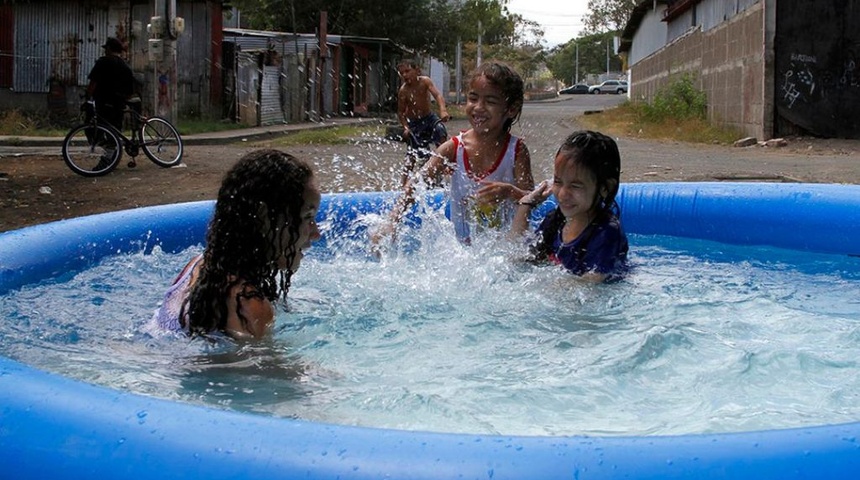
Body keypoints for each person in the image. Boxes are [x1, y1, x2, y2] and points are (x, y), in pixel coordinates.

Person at [153, 149, 322, 340]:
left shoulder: (196, 266)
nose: (316, 234)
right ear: (265, 218)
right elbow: (263, 369)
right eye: (307, 217)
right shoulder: (249, 308)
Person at [373, 61, 534, 246]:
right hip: (462, 253)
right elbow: (417, 182)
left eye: (490, 101)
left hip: (505, 250)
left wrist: (510, 192)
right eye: (473, 98)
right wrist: (392, 220)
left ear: (511, 109)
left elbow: (532, 199)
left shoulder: (516, 151)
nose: (478, 107)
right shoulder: (454, 148)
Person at [511, 130, 628, 282]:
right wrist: (526, 204)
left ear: (605, 188)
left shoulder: (607, 233)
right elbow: (517, 256)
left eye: (575, 185)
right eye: (558, 182)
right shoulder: (555, 220)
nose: (563, 194)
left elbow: (590, 284)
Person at [396, 59, 451, 185]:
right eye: (401, 73)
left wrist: (443, 110)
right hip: (414, 123)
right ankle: (403, 183)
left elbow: (437, 95)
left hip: (429, 118)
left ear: (417, 70)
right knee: (412, 153)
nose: (405, 75)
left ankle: (445, 165)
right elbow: (400, 112)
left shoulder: (425, 81)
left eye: (407, 71)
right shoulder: (403, 91)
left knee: (441, 131)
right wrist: (405, 127)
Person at [86, 37, 136, 132]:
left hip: (103, 101)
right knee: (115, 128)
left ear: (108, 48)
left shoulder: (102, 62)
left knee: (98, 125)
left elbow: (93, 82)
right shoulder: (125, 66)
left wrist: (88, 95)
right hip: (119, 103)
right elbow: (130, 90)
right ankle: (114, 144)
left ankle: (102, 142)